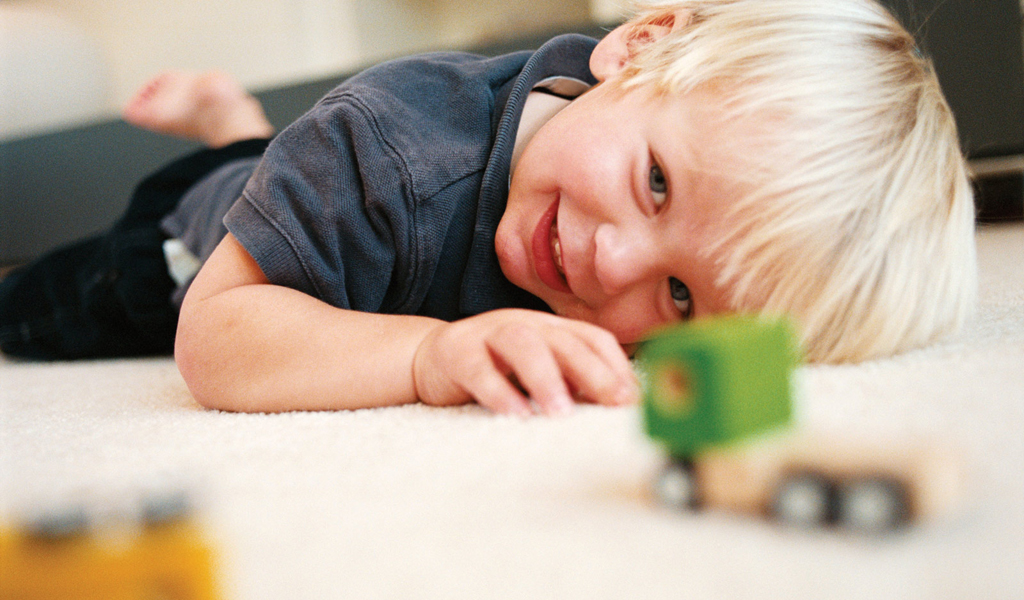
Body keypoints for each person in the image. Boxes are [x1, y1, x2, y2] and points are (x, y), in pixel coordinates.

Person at [0, 0, 976, 417]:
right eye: (656, 185)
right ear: (634, 48)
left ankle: (241, 134)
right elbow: (215, 343)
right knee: (37, 316)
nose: (614, 264)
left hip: (317, 193)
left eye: (680, 299)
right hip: (179, 252)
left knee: (282, 174)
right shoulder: (390, 148)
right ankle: (230, 147)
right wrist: (426, 356)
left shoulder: (608, 242)